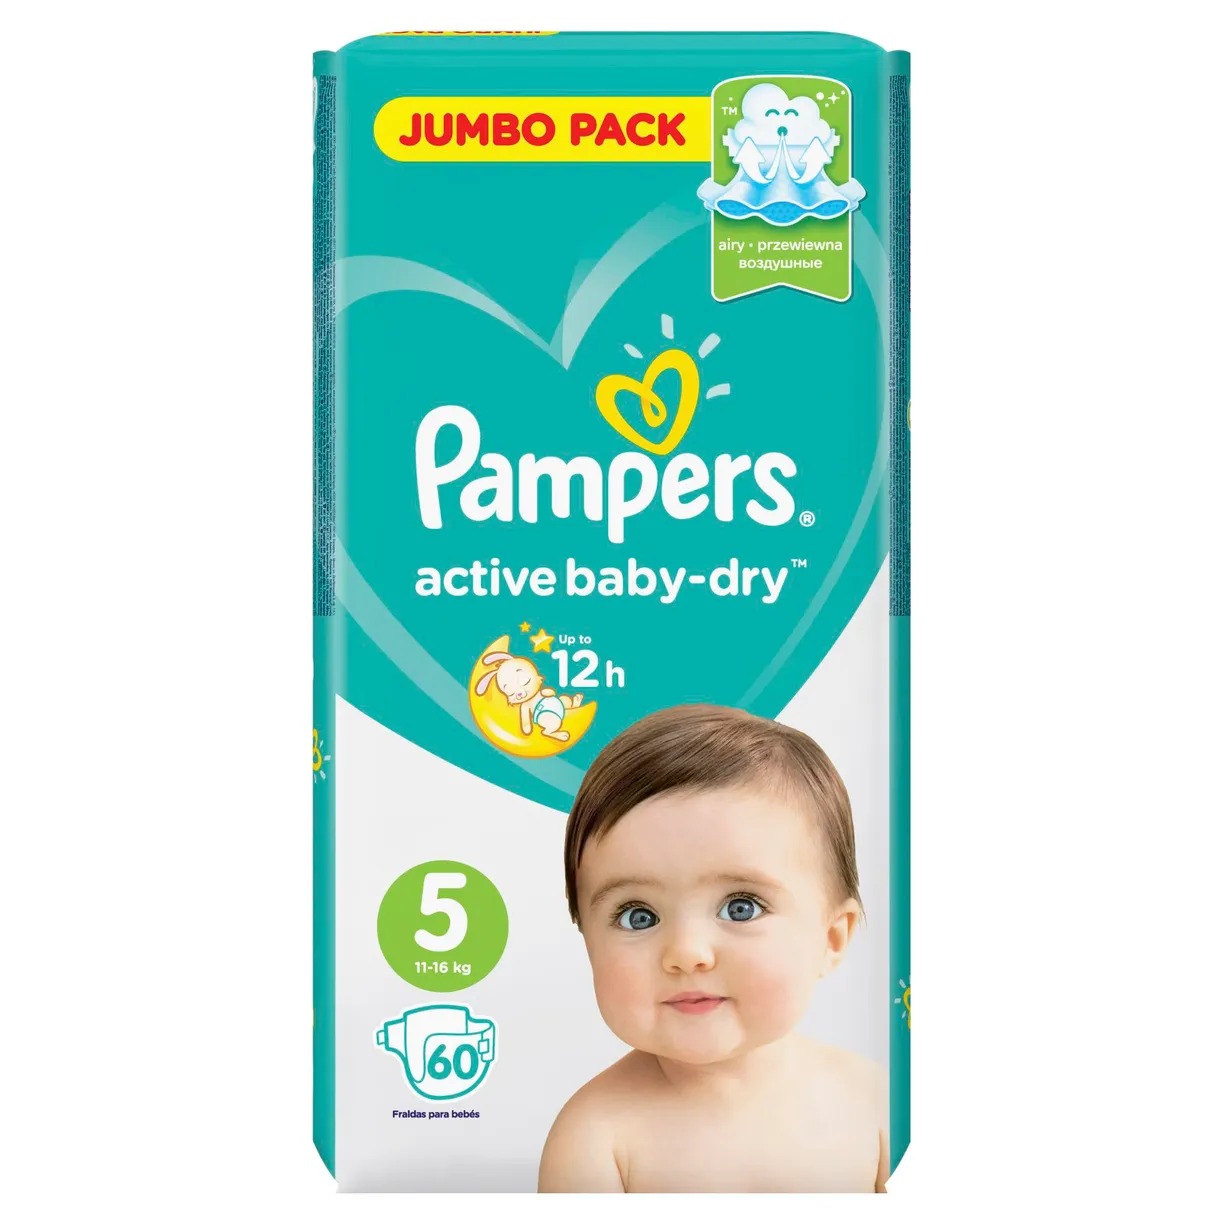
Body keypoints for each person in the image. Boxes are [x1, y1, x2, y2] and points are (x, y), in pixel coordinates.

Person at [539, 704, 886, 1192]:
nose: (687, 952)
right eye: (639, 916)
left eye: (741, 908)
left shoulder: (877, 1105)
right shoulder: (597, 1138)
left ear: (831, 937)